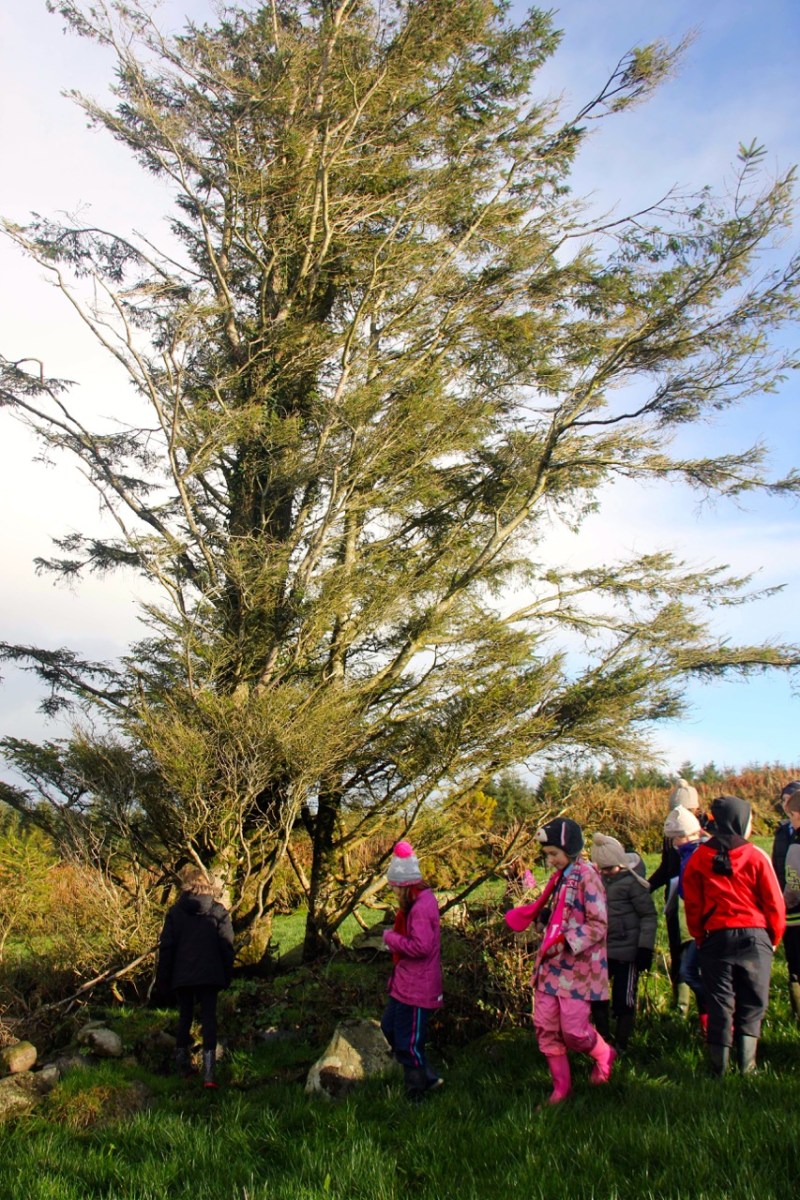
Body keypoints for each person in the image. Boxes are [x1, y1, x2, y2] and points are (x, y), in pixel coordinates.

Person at [505, 818, 614, 1105]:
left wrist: (566, 939)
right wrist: (542, 921)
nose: (550, 860)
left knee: (575, 1031)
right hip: (551, 966)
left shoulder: (588, 876)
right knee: (546, 1025)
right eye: (547, 855)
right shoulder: (561, 877)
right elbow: (559, 913)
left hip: (577, 969)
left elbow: (598, 924)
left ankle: (603, 1054)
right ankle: (561, 1089)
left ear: (570, 848)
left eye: (554, 854)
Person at [683, 796, 786, 1076]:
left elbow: (692, 904)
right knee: (753, 999)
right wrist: (774, 937)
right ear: (741, 821)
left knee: (720, 1002)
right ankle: (747, 1068)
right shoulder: (755, 855)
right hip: (756, 937)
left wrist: (700, 936)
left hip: (716, 937)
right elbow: (774, 902)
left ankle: (718, 1070)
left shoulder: (699, 857)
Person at [156, 864, 235, 1088]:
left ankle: (183, 1065)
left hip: (183, 975)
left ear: (185, 885)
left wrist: (164, 979)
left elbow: (167, 948)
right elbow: (227, 945)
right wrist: (226, 974)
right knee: (209, 1020)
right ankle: (209, 1074)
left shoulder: (175, 912)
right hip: (211, 974)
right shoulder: (218, 911)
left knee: (185, 1017)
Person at [381, 841, 444, 1102]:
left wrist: (391, 938)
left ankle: (417, 1089)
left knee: (408, 1041)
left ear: (405, 885)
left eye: (395, 887)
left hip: (417, 989)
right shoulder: (414, 904)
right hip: (404, 984)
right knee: (389, 1028)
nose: (393, 892)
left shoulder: (420, 908)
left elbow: (421, 946)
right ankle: (428, 1077)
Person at [589, 833, 657, 1052]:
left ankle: (621, 1042)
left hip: (629, 953)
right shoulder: (596, 883)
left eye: (610, 868)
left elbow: (648, 916)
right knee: (597, 998)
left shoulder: (633, 884)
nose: (607, 873)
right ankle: (603, 1041)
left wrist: (645, 947)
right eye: (603, 868)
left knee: (624, 999)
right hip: (602, 952)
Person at [663, 805, 708, 1033]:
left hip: (703, 927)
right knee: (690, 971)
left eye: (679, 837)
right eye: (673, 838)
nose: (675, 843)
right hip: (692, 923)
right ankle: (707, 1023)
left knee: (693, 972)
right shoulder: (685, 854)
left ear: (694, 833)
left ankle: (712, 1021)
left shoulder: (699, 855)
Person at [779, 789, 800, 1023]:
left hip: (796, 920)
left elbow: (794, 887)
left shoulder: (796, 845)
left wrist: (781, 905)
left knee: (796, 969)